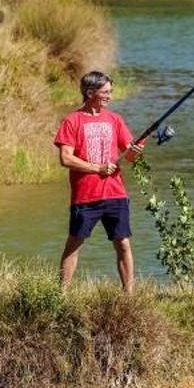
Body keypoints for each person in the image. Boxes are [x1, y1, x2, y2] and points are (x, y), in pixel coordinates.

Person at [55, 70, 142, 293]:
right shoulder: (72, 120)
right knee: (74, 244)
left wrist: (138, 149)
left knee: (123, 243)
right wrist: (98, 168)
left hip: (116, 193)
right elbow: (66, 158)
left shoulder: (115, 119)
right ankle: (60, 295)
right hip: (86, 196)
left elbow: (130, 157)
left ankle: (129, 296)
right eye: (105, 92)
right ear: (90, 92)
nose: (109, 96)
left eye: (110, 92)